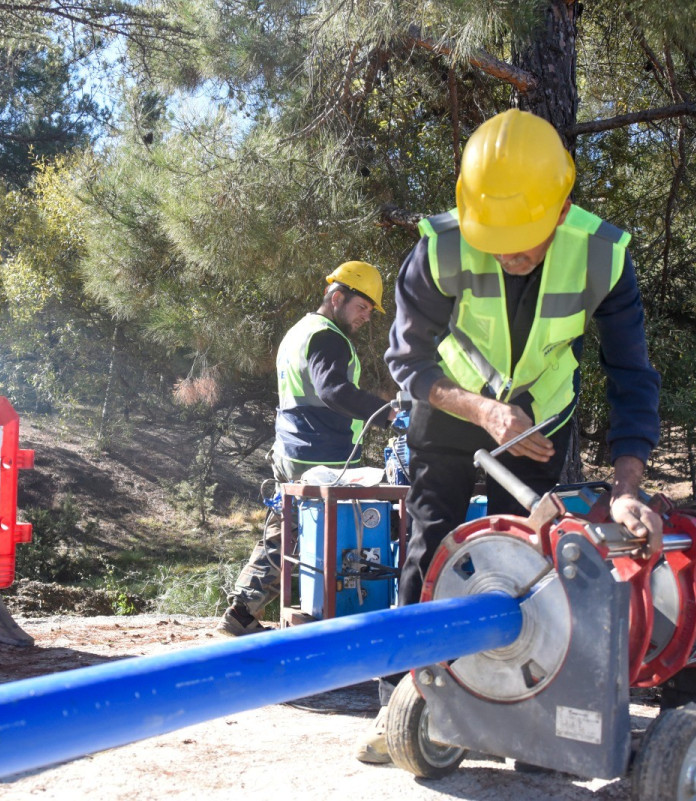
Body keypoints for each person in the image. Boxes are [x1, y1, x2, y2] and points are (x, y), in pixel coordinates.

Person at [359, 109, 663, 762]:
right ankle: (399, 703)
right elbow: (407, 362)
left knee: (523, 557)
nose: (506, 252)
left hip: (539, 423)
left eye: (522, 240)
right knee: (431, 544)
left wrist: (629, 486)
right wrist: (484, 411)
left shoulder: (603, 256)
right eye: (495, 237)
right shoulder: (440, 246)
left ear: (559, 213)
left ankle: (508, 703)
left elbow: (632, 376)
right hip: (447, 408)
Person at [215, 261, 397, 637]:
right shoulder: (327, 336)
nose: (366, 317)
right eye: (362, 307)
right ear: (337, 297)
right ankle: (344, 618)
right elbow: (333, 391)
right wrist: (388, 415)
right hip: (321, 455)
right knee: (350, 533)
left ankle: (241, 611)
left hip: (293, 448)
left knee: (284, 535)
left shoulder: (300, 331)